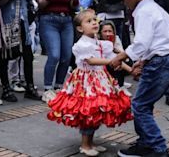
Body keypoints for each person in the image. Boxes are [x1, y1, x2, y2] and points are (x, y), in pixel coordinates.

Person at [108, 0, 169, 157]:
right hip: (165, 59)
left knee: (139, 106)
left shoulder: (143, 11)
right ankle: (145, 143)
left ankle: (157, 148)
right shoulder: (153, 8)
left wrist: (120, 57)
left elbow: (141, 44)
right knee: (142, 104)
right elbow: (153, 43)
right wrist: (143, 61)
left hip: (162, 62)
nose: (124, 2)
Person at [47, 9, 132, 157]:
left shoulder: (100, 42)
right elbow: (91, 60)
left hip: (100, 79)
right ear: (80, 28)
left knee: (97, 111)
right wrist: (111, 61)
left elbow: (113, 56)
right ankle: (85, 145)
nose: (94, 22)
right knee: (88, 111)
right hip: (85, 82)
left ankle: (91, 143)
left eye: (95, 20)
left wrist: (130, 69)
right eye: (89, 21)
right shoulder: (82, 44)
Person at [0, 0, 41, 101]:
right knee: (6, 56)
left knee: (28, 55)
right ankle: (6, 87)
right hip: (8, 22)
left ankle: (30, 86)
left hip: (23, 21)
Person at [36, 0, 78, 94]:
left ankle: (59, 86)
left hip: (66, 21)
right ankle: (48, 89)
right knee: (54, 55)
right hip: (49, 20)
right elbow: (41, 5)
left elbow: (75, 7)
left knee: (66, 56)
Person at [98, 20, 132, 89]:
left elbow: (125, 57)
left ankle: (120, 85)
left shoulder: (116, 39)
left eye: (110, 31)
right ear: (100, 33)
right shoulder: (97, 41)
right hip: (102, 64)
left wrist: (118, 52)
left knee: (120, 61)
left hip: (114, 63)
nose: (108, 34)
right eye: (105, 31)